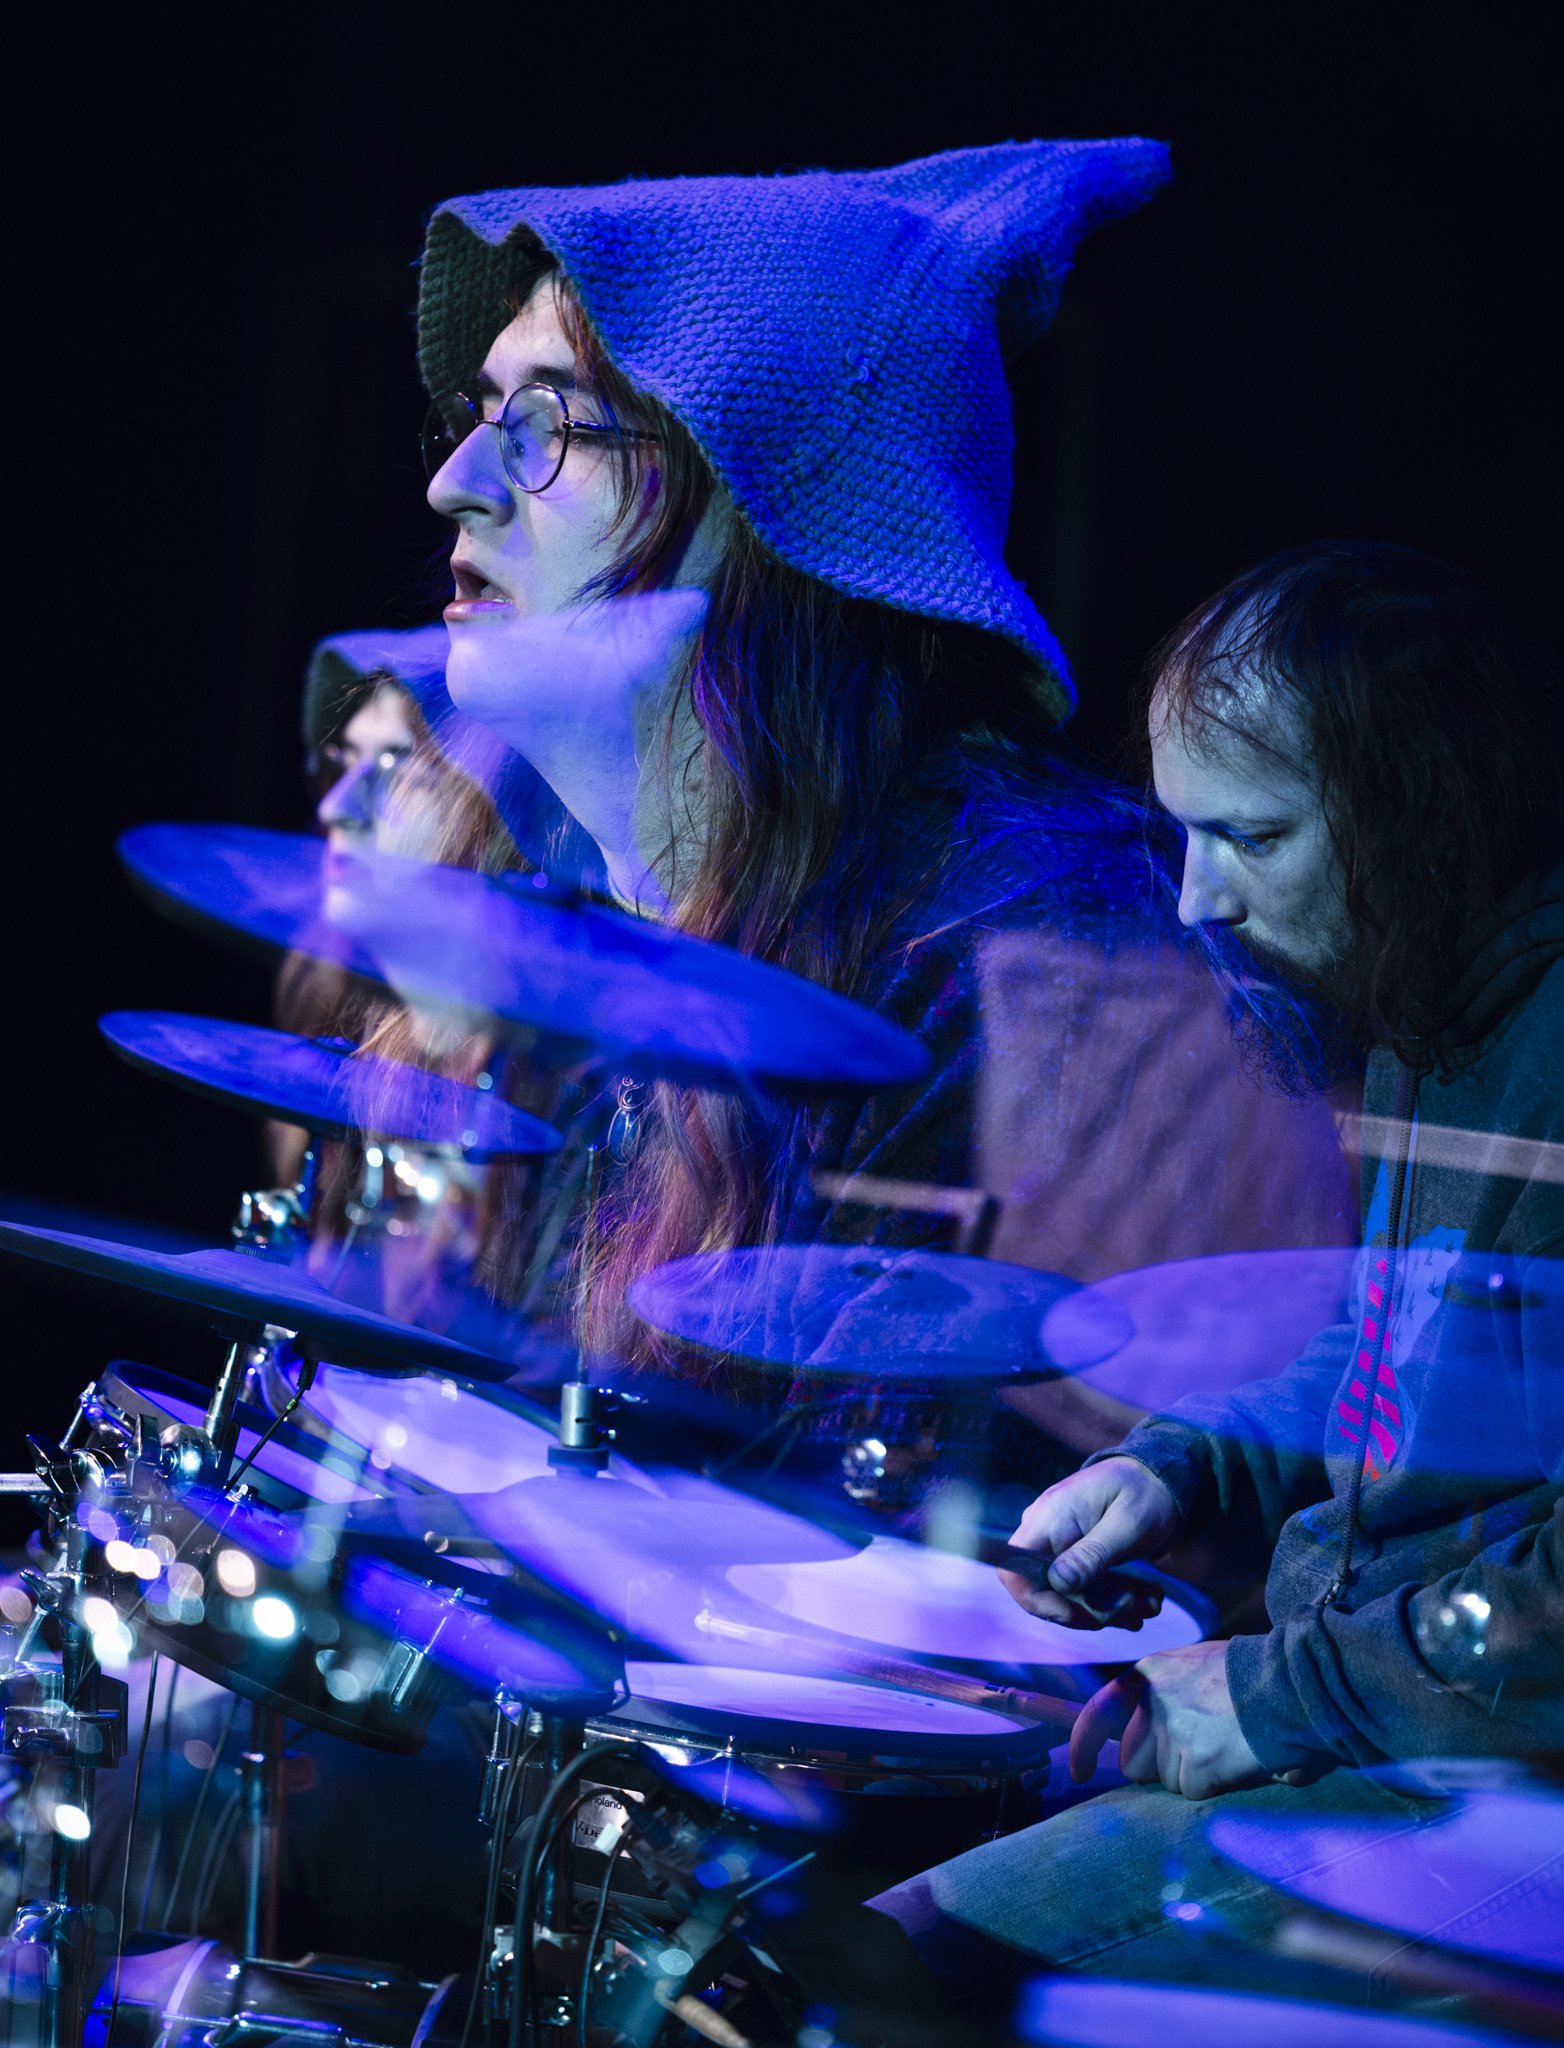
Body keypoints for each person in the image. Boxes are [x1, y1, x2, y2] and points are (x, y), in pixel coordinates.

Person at [413, 143, 1359, 1512]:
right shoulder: (625, 932)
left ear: (768, 515)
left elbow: (935, 1575)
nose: (454, 481)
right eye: (478, 413)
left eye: (548, 423)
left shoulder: (1036, 955)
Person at [871, 540, 1564, 2011]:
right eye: (1186, 835)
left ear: (1421, 816)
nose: (1194, 902)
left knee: (890, 1976)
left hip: (1552, 1800)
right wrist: (1179, 1465)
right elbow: (1406, 1345)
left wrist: (1276, 1700)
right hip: (1404, 1731)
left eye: (1252, 838)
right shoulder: (1441, 994)